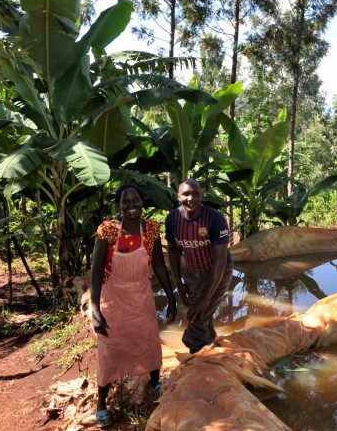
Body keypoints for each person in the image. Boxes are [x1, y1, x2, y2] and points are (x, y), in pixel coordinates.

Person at [90, 183, 176, 428]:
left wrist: (171, 297)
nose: (131, 205)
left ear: (142, 202)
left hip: (141, 295)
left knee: (148, 340)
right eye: (125, 201)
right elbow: (96, 271)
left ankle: (155, 383)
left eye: (135, 200)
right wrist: (95, 310)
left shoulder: (150, 230)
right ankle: (102, 402)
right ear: (119, 205)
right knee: (110, 349)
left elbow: (159, 265)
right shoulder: (107, 230)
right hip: (113, 296)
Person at [165, 179, 232, 354]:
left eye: (196, 193)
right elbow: (173, 250)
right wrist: (179, 284)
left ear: (202, 195)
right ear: (178, 196)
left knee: (198, 315)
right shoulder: (173, 219)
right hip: (192, 271)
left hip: (218, 272)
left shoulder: (215, 219)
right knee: (202, 314)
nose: (191, 198)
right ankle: (210, 347)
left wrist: (206, 297)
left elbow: (220, 262)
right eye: (186, 193)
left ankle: (196, 354)